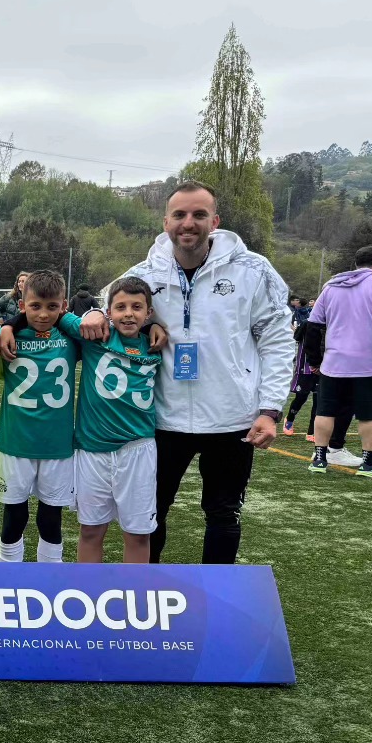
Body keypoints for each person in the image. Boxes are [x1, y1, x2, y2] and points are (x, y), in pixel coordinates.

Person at [110, 180, 294, 564]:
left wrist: (270, 409)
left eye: (199, 214)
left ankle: (218, 596)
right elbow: (106, 308)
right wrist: (124, 320)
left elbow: (277, 341)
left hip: (232, 417)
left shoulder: (253, 270)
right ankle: (147, 592)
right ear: (166, 222)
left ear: (215, 221)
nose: (188, 223)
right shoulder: (145, 273)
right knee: (150, 512)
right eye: (179, 215)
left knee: (223, 513)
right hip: (162, 417)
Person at [67, 278, 161, 563]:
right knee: (91, 530)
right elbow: (59, 316)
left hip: (138, 449)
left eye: (136, 307)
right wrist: (91, 313)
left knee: (138, 534)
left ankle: (134, 590)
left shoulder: (157, 343)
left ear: (149, 313)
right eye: (120, 307)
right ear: (109, 312)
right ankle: (88, 589)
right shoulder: (96, 337)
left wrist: (158, 329)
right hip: (92, 449)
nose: (128, 313)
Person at [0, 270, 78, 563]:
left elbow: (102, 328)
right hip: (16, 443)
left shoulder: (71, 338)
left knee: (51, 519)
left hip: (57, 446)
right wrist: (8, 326)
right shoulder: (7, 337)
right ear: (22, 305)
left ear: (63, 306)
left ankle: (50, 576)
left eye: (52, 307)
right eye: (35, 306)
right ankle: (7, 575)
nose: (43, 314)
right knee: (14, 516)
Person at [305, 246, 372, 477]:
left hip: (334, 363)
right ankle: (368, 464)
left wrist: (314, 359)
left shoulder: (331, 286)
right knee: (369, 414)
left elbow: (313, 326)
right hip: (369, 364)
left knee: (325, 411)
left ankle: (320, 459)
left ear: (356, 262)